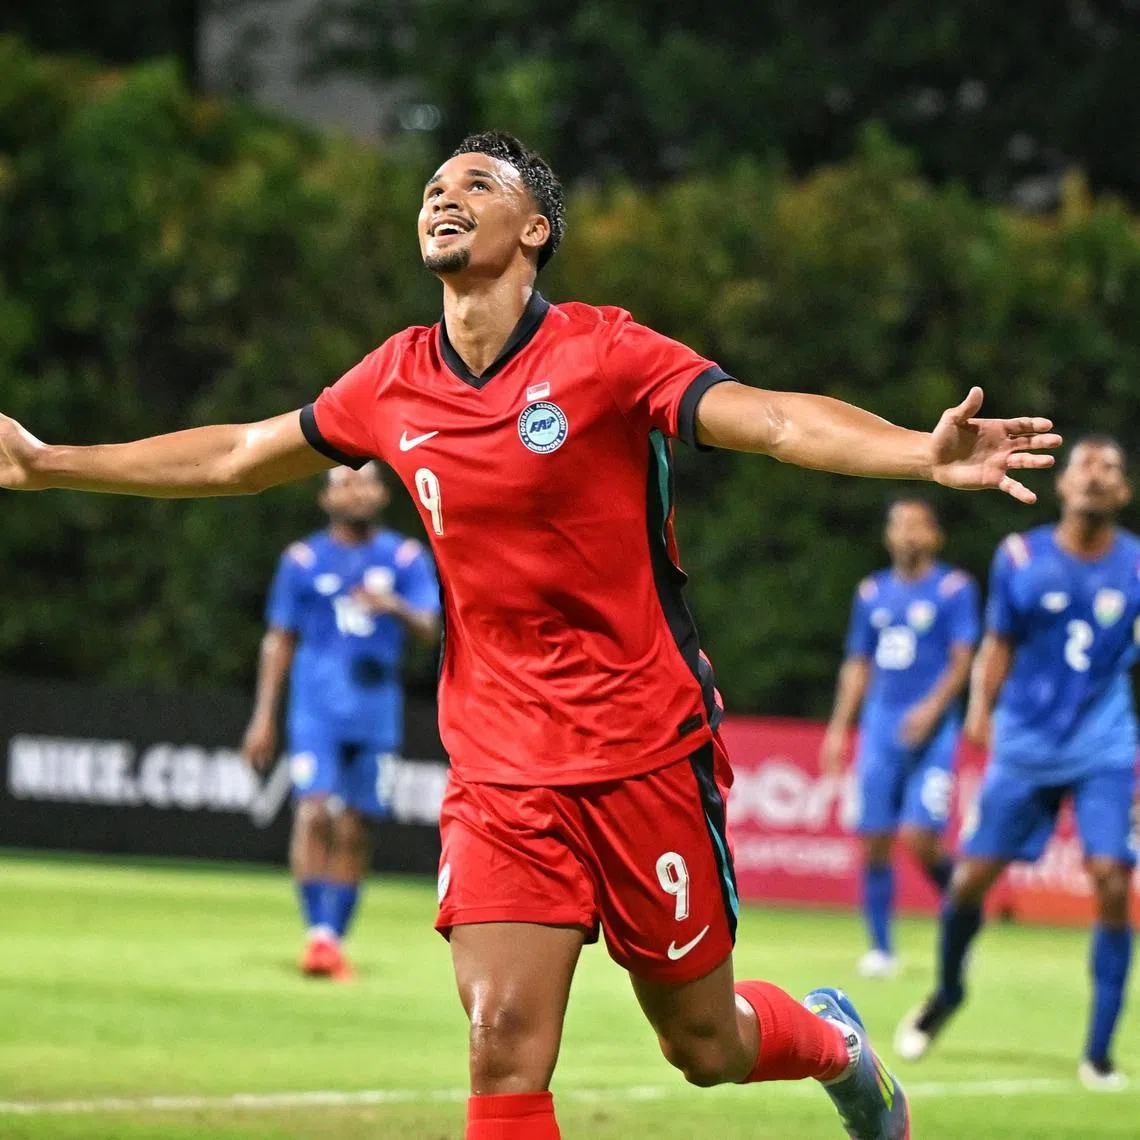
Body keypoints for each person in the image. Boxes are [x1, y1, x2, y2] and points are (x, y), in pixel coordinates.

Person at [0, 129, 1061, 1140]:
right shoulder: (393, 377)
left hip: (645, 747)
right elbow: (237, 454)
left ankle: (836, 1047)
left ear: (536, 230)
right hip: (502, 768)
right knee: (502, 1044)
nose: (441, 196)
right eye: (432, 186)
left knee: (702, 1042)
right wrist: (49, 463)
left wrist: (917, 457)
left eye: (475, 185)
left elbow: (773, 421)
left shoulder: (603, 352)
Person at [895, 436, 1137, 1090]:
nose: (1096, 476)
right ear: (1064, 484)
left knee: (1113, 878)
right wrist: (980, 707)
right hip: (1025, 743)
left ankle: (1098, 1052)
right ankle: (947, 994)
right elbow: (998, 641)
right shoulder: (1020, 556)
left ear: (1123, 493)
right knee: (971, 882)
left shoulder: (1137, 565)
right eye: (1086, 464)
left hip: (1103, 743)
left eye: (1111, 469)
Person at [241, 462, 440, 980]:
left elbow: (428, 626)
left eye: (367, 481)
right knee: (312, 812)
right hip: (315, 708)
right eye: (344, 482)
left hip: (376, 710)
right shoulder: (303, 561)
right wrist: (263, 717)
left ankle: (334, 934)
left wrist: (392, 605)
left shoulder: (404, 557)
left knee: (355, 825)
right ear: (325, 499)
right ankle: (319, 938)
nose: (357, 490)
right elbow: (279, 638)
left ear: (382, 493)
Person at [821, 498, 979, 979]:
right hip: (880, 729)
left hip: (932, 731)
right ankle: (881, 948)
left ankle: (964, 918)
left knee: (920, 836)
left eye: (919, 525)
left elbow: (962, 658)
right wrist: (838, 726)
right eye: (900, 525)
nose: (909, 534)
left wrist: (932, 709)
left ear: (935, 535)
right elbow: (858, 663)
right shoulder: (872, 593)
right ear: (888, 536)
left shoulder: (954, 589)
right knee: (873, 839)